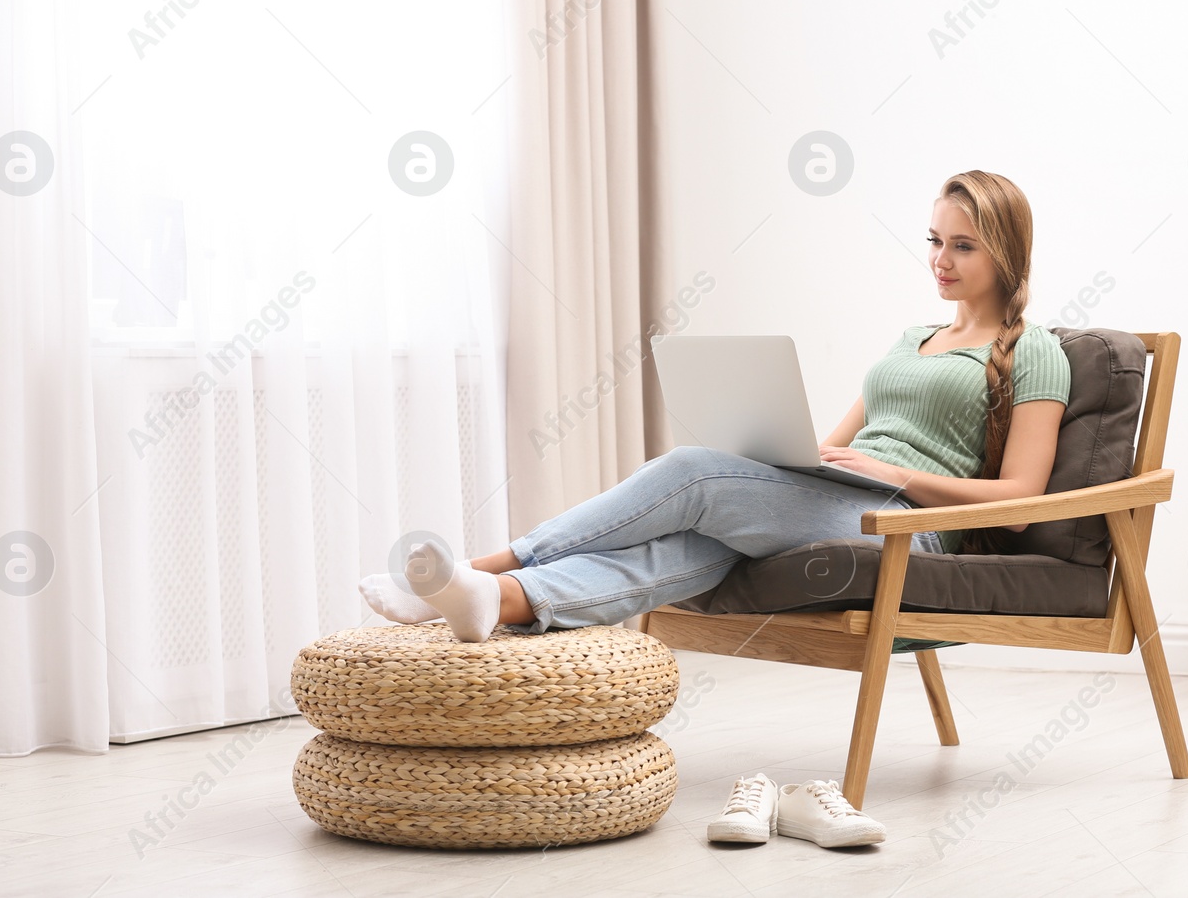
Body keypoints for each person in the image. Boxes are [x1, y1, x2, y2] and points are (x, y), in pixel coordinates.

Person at [361, 170, 1071, 643]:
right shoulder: (913, 338)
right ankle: (501, 600)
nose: (940, 259)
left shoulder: (1033, 350)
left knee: (696, 473)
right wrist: (797, 461)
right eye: (935, 241)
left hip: (912, 528)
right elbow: (831, 448)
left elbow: (1020, 494)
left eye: (962, 246)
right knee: (691, 546)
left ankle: (483, 566)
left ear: (1005, 252)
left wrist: (895, 474)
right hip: (847, 498)